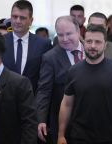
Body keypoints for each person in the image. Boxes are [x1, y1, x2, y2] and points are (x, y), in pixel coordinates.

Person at [58, 24, 112, 144]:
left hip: (111, 136)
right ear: (83, 43)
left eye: (98, 42)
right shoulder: (73, 71)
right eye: (89, 41)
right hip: (79, 137)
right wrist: (61, 135)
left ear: (105, 45)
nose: (93, 46)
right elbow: (66, 104)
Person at [36, 16, 84, 144]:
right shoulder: (50, 58)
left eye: (68, 34)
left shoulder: (92, 50)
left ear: (78, 31)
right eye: (60, 35)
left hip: (93, 121)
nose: (65, 39)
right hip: (64, 124)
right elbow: (44, 91)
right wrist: (40, 119)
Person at [2, 0, 52, 92]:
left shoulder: (44, 44)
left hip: (33, 101)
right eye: (14, 17)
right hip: (4, 101)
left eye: (22, 18)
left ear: (31, 20)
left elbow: (46, 79)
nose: (17, 21)